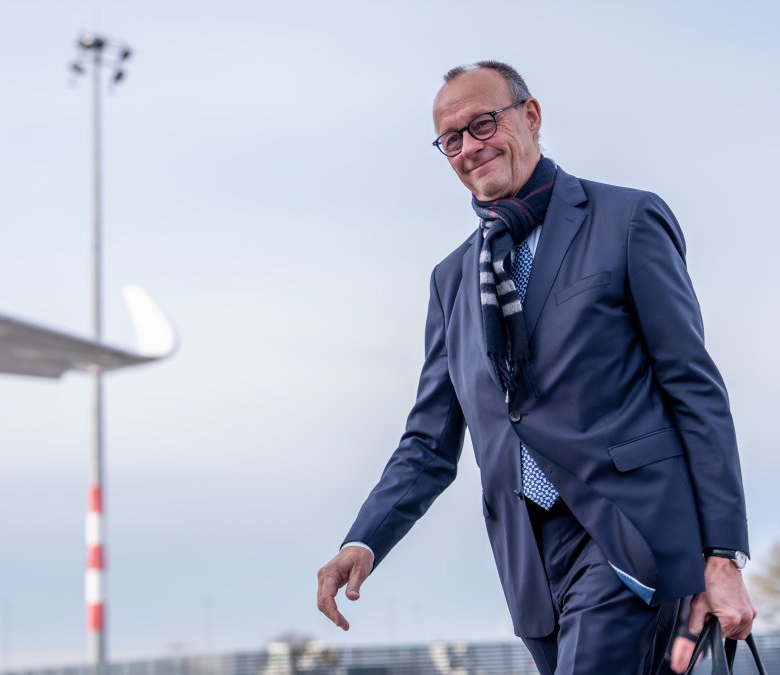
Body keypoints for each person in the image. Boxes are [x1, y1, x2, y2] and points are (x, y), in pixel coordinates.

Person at [315, 61, 756, 675]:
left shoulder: (626, 221)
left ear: (532, 115)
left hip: (630, 531)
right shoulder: (451, 281)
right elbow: (428, 443)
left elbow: (694, 388)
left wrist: (723, 553)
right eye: (452, 139)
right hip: (529, 560)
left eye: (483, 123)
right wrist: (362, 540)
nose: (471, 147)